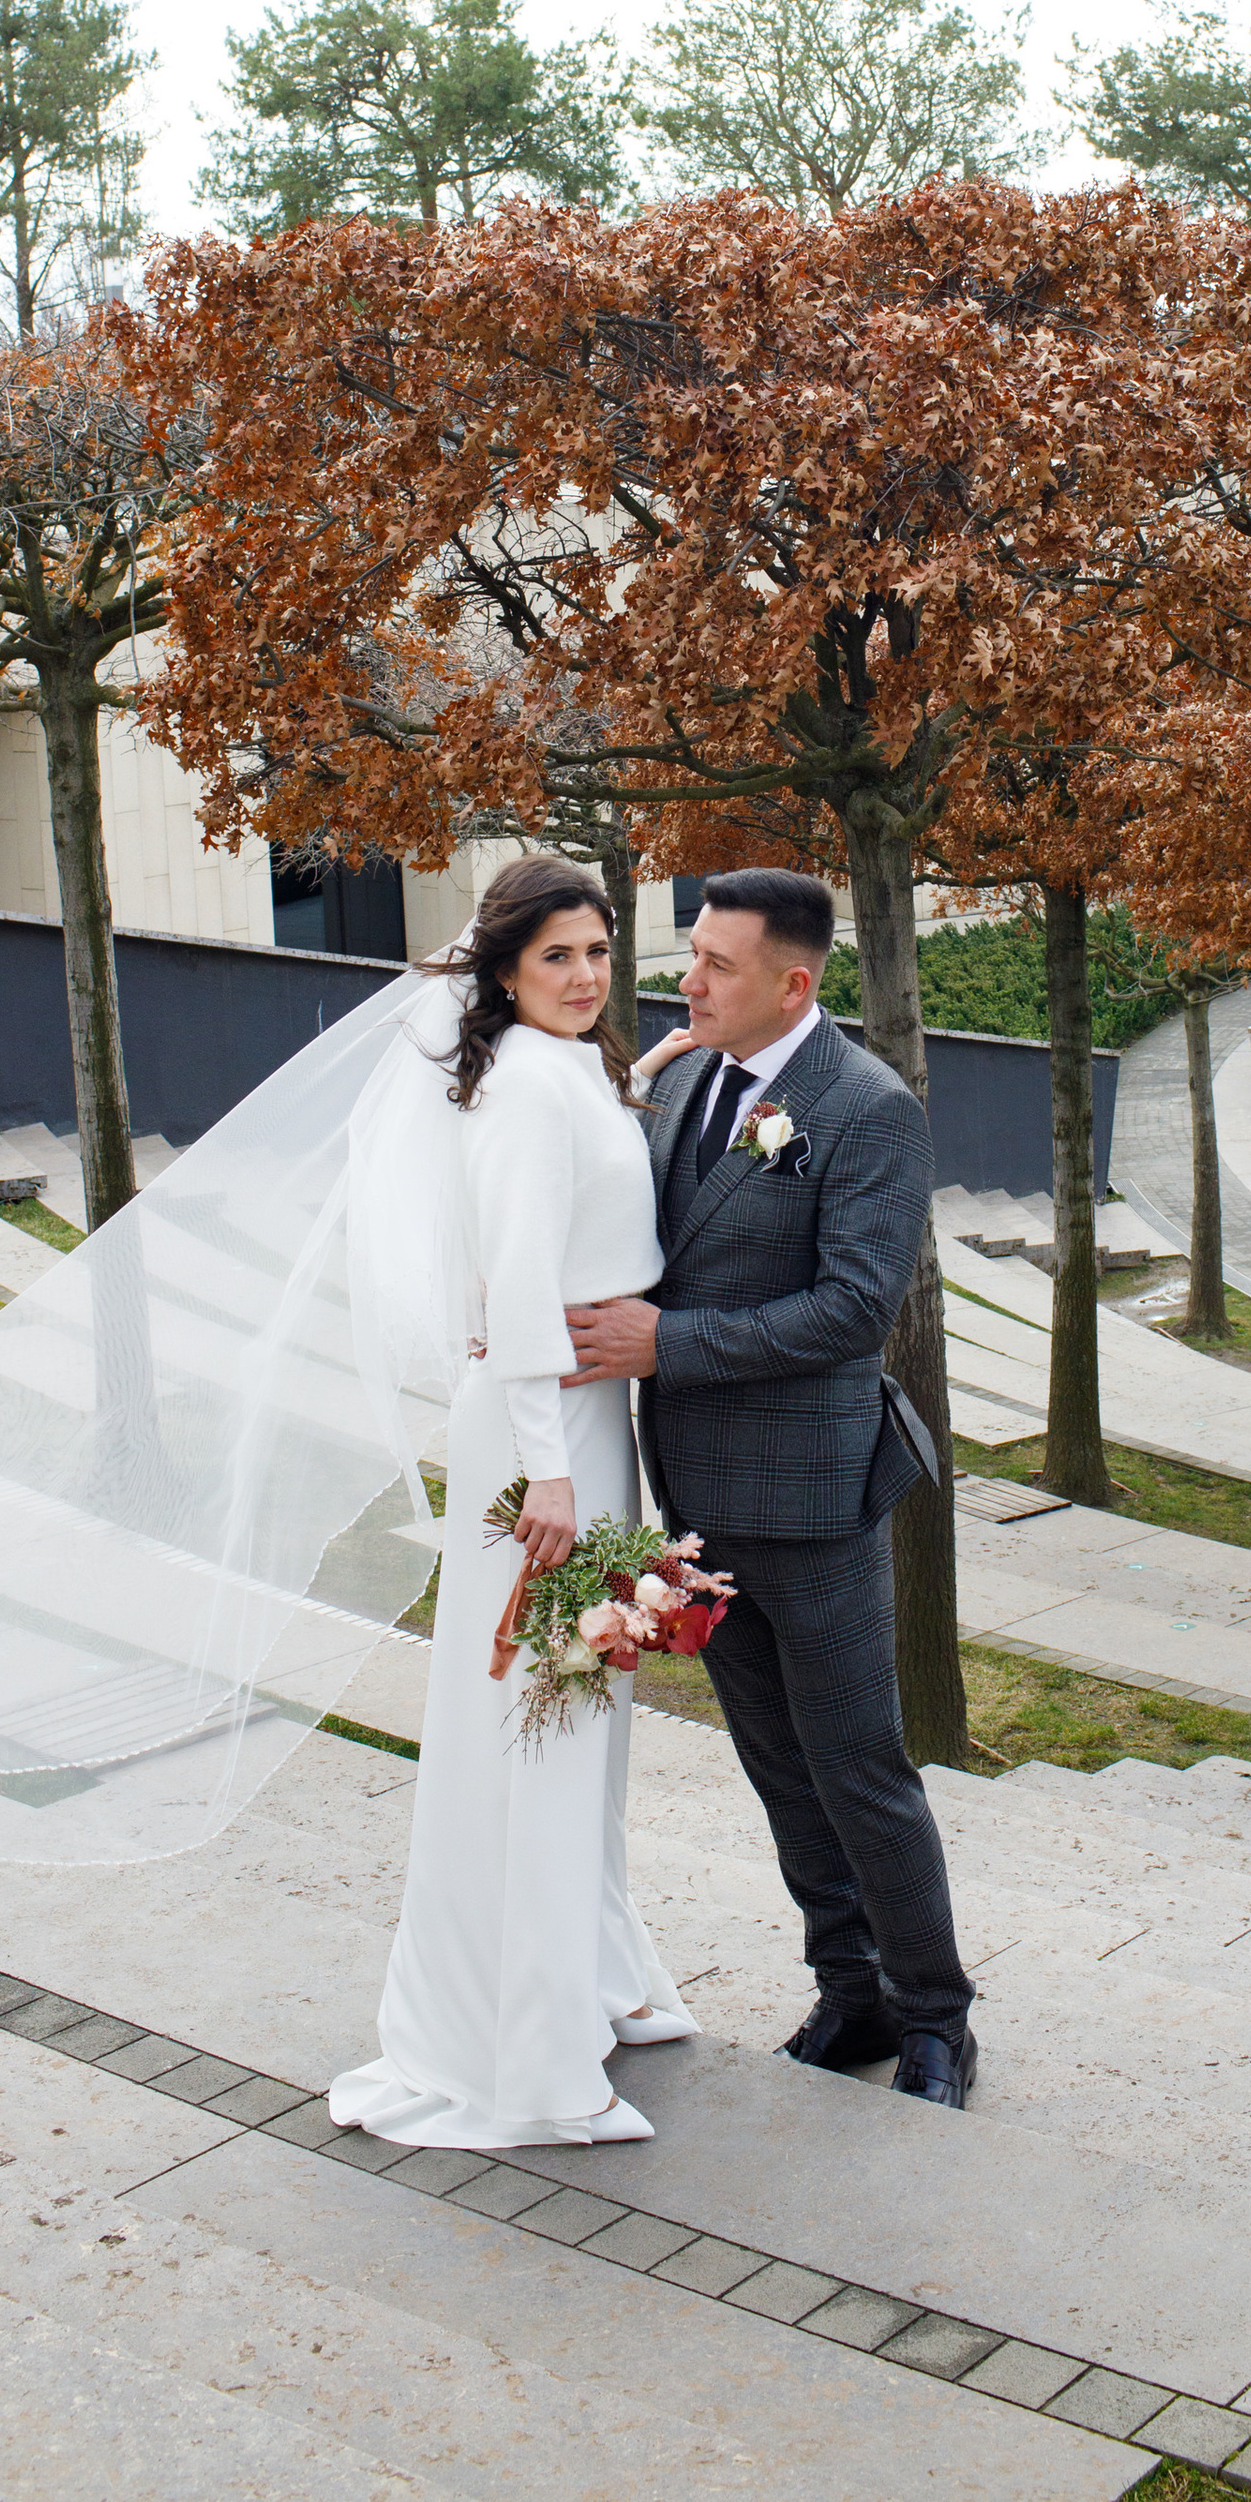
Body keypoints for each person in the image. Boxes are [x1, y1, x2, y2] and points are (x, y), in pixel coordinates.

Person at [564, 869, 978, 2110]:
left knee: (858, 1767)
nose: (686, 981)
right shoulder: (687, 1076)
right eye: (691, 952)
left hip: (813, 1495)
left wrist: (666, 1345)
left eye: (717, 965)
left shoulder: (868, 1108)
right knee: (778, 1765)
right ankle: (850, 1990)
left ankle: (936, 2018)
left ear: (794, 985)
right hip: (697, 1498)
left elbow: (854, 1310)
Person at [327, 854, 700, 2150]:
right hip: (548, 1436)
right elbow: (520, 1277)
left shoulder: (571, 1069)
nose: (586, 976)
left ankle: (589, 1975)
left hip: (583, 1421)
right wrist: (547, 1468)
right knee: (542, 1717)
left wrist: (651, 1070)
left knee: (583, 1707)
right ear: (503, 970)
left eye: (598, 952)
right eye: (557, 958)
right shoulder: (530, 1089)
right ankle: (529, 2057)